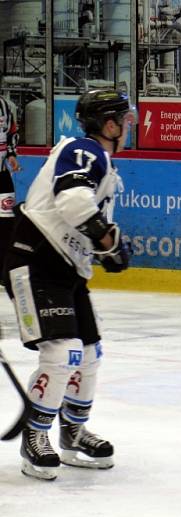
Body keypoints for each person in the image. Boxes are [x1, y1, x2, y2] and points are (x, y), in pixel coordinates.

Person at [2, 89, 135, 480]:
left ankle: (72, 431)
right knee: (64, 353)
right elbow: (74, 203)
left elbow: (84, 218)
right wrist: (108, 240)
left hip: (66, 271)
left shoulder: (103, 164)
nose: (129, 127)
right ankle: (35, 434)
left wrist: (107, 249)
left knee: (90, 353)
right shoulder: (83, 150)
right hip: (34, 264)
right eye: (124, 121)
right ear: (108, 125)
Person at [0, 95, 21, 279]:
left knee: (6, 223)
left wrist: (11, 154)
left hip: (1, 174)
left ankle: (2, 271)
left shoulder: (4, 105)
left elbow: (11, 132)